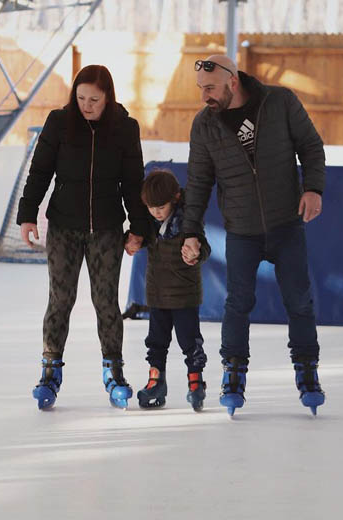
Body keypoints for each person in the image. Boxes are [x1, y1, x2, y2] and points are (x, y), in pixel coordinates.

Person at [181, 54, 326, 416]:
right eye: (201, 89)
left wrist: (313, 189)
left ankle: (307, 371)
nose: (205, 97)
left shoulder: (280, 102)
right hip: (242, 230)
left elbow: (310, 146)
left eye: (210, 88)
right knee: (237, 304)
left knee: (300, 302)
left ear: (232, 81)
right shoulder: (204, 126)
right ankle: (233, 372)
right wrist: (191, 231)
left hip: (286, 223)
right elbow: (198, 183)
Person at [17, 64, 148, 411]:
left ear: (108, 98)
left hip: (106, 229)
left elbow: (134, 182)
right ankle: (49, 371)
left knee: (106, 302)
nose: (86, 105)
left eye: (94, 99)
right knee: (61, 299)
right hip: (64, 227)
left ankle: (114, 371)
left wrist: (139, 228)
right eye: (80, 98)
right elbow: (40, 171)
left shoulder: (124, 128)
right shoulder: (60, 123)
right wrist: (28, 215)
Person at [135, 169, 210, 411]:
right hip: (157, 297)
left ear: (175, 198)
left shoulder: (188, 222)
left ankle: (195, 382)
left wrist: (196, 254)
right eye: (151, 207)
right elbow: (136, 237)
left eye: (161, 207)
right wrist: (130, 239)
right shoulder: (150, 224)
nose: (156, 213)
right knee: (156, 342)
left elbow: (203, 245)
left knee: (190, 342)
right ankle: (156, 381)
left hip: (184, 297)